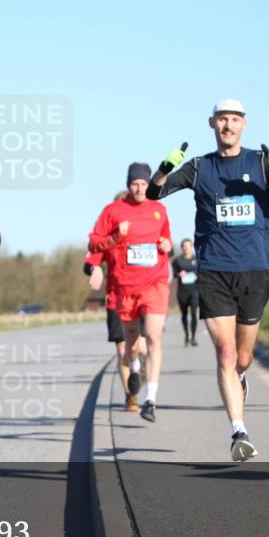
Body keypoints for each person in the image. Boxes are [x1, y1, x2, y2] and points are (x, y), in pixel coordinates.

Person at [147, 99, 269, 461]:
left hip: (253, 271)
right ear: (212, 123)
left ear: (244, 125)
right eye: (223, 120)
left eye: (235, 120)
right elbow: (157, 194)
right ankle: (239, 431)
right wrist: (162, 170)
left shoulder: (261, 163)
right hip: (214, 272)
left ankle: (240, 378)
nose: (229, 126)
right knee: (226, 352)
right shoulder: (199, 166)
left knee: (244, 357)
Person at [89, 163, 172, 423]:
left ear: (149, 184)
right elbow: (93, 242)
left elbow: (167, 240)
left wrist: (167, 244)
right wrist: (115, 238)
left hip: (155, 283)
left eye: (144, 184)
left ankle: (151, 399)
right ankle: (135, 367)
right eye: (135, 184)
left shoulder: (159, 210)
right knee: (131, 344)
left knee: (153, 337)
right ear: (128, 184)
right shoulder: (113, 211)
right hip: (124, 288)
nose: (139, 188)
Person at [84, 190, 147, 412]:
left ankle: (140, 367)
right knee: (122, 351)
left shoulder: (145, 231)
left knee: (141, 347)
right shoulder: (109, 238)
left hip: (143, 299)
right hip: (115, 300)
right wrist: (94, 269)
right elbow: (91, 259)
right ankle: (131, 396)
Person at [171, 238, 200, 346]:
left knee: (193, 313)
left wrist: (198, 275)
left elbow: (202, 272)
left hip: (194, 290)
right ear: (182, 247)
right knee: (184, 314)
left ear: (191, 247)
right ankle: (186, 335)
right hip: (182, 290)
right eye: (184, 246)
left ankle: (193, 337)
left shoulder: (196, 259)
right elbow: (173, 274)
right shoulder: (177, 261)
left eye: (188, 246)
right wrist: (179, 274)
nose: (186, 248)